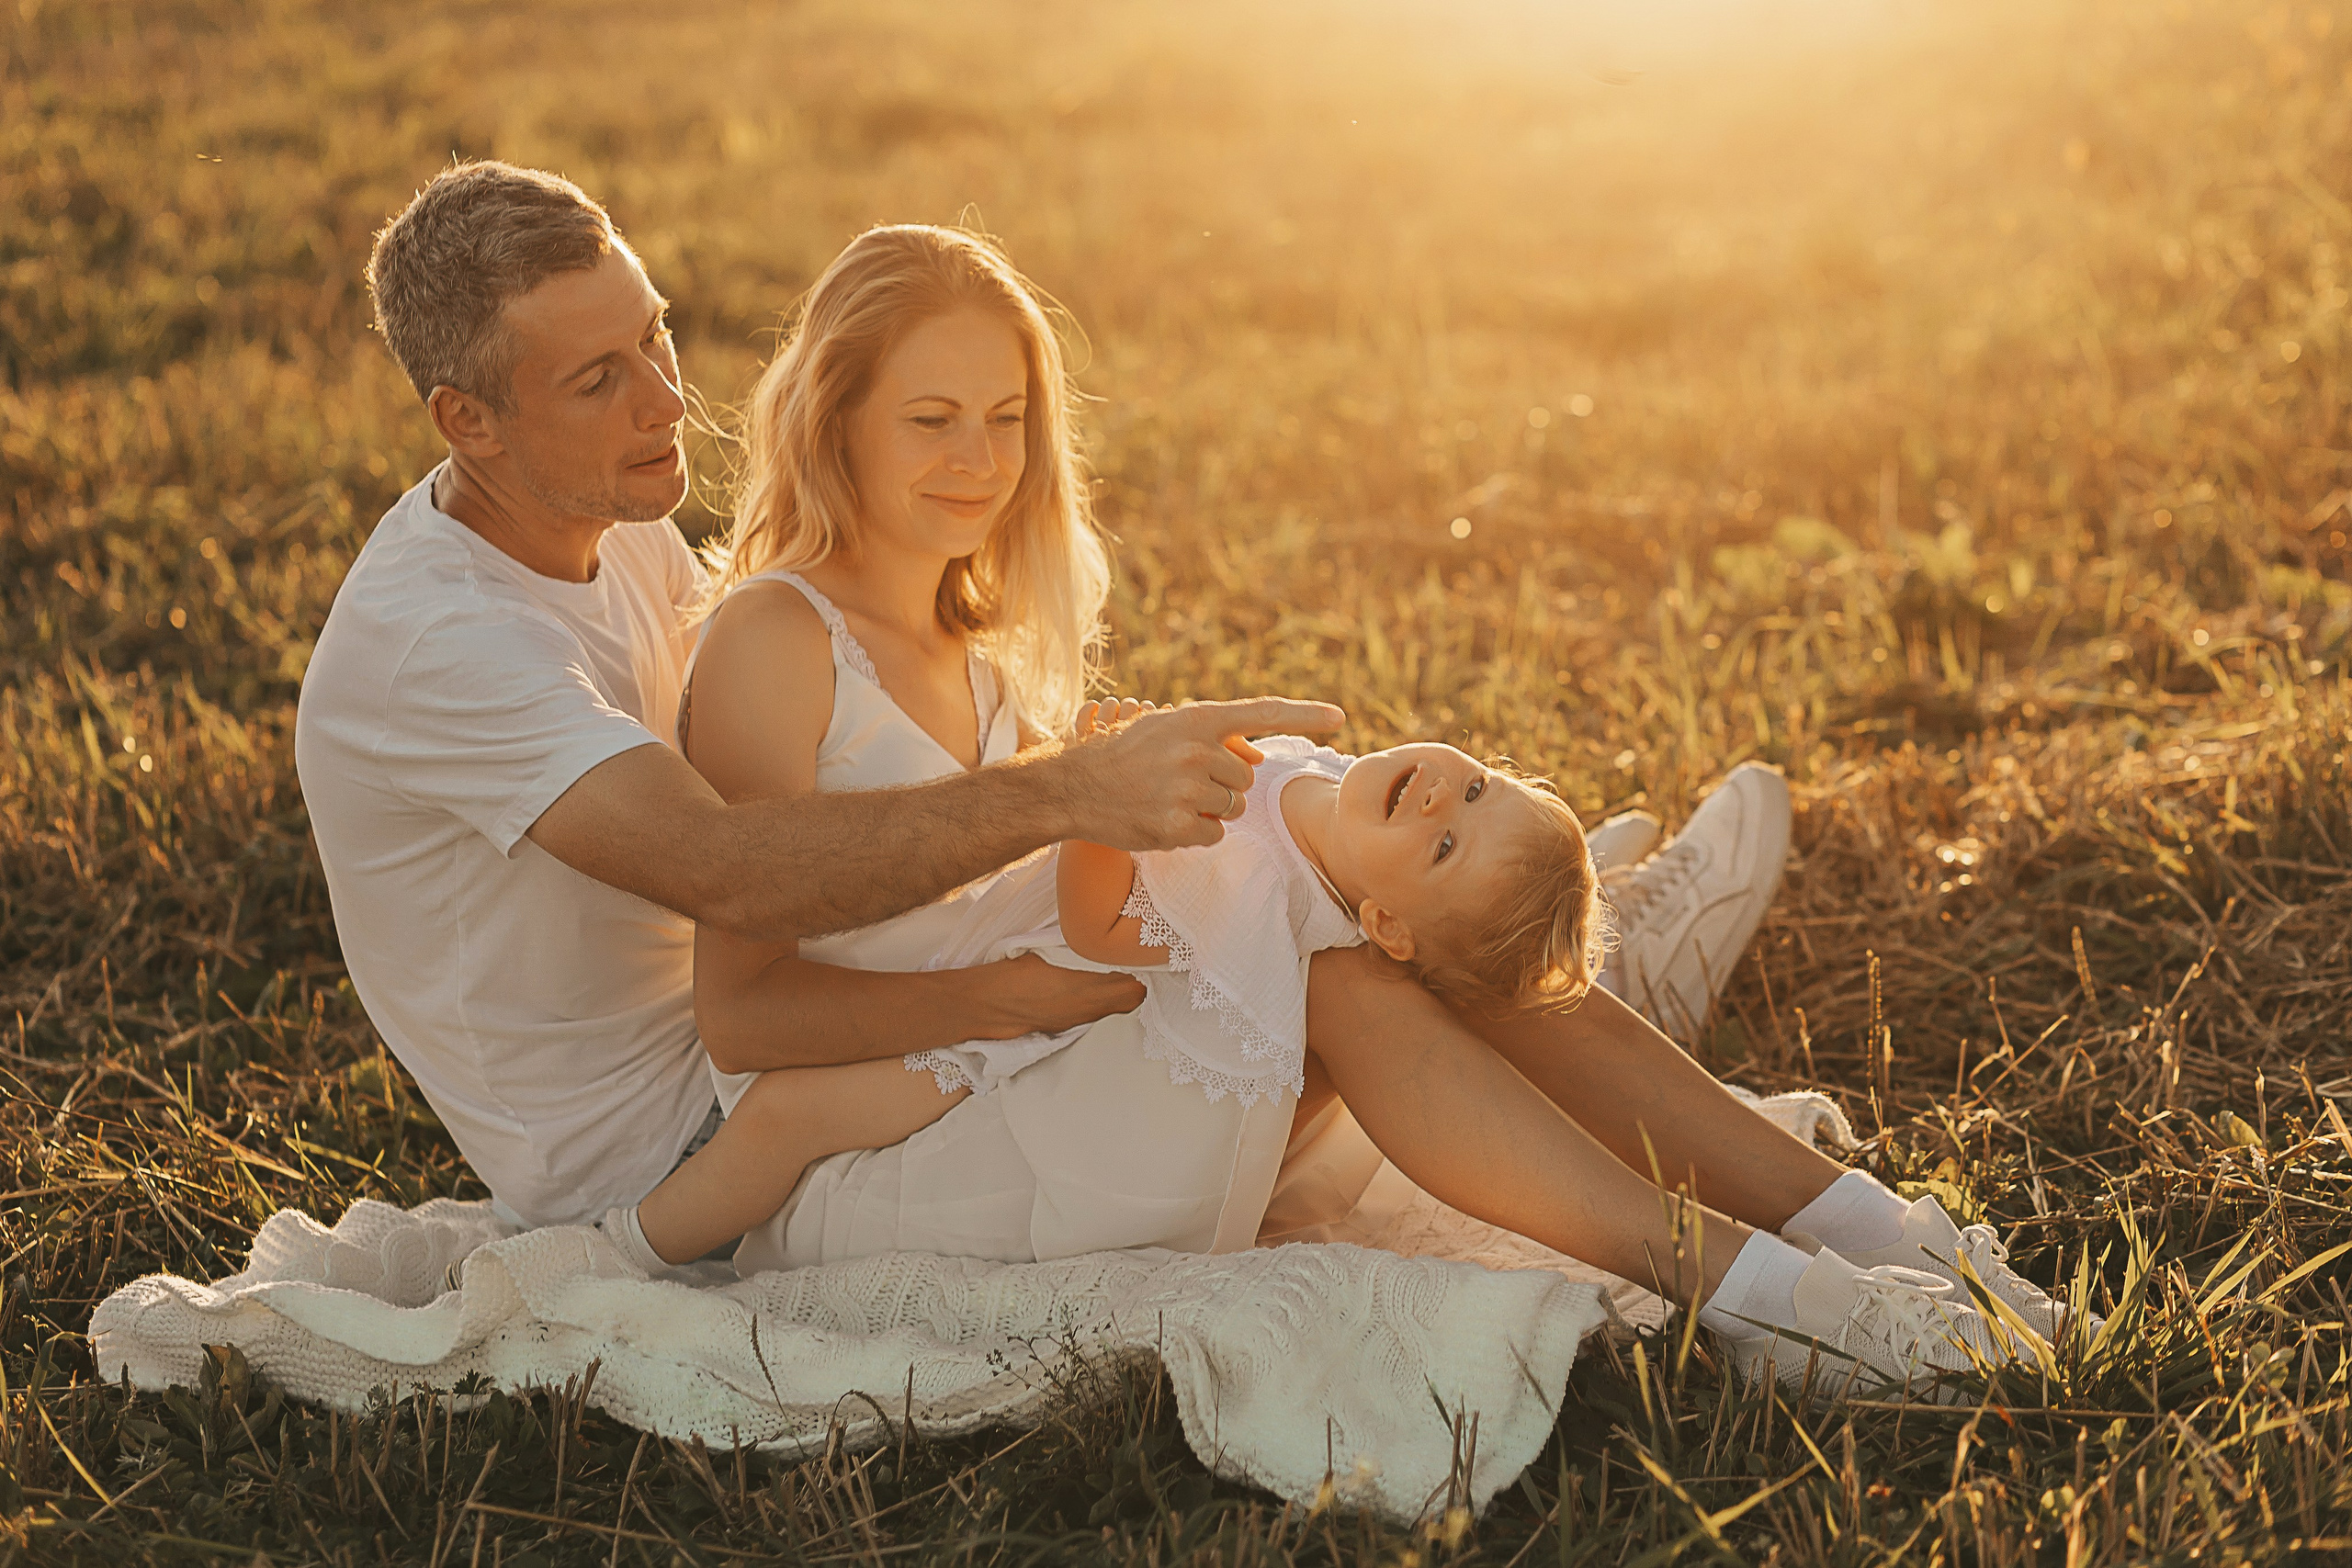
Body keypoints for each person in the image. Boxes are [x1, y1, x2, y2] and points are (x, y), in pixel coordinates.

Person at [296, 161, 2069, 1399]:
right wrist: (1066, 878)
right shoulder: (452, 646)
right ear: (467, 418)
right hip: (710, 1140)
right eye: (601, 376)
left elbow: (884, 796)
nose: (665, 402)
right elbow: (747, 919)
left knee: (1322, 907)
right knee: (1323, 970)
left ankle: (1864, 1217)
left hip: (907, 1043)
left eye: (664, 338)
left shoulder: (616, 521)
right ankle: (1762, 1296)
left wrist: (1150, 843)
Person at [623, 719, 1605, 1268]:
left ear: (1387, 928)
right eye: (1476, 792)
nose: (1442, 799)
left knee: (790, 1116)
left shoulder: (1266, 903)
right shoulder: (1317, 782)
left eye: (1441, 849)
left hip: (1033, 1037)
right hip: (993, 959)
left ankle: (638, 1258)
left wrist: (1095, 803)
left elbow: (1101, 928)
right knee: (801, 1092)